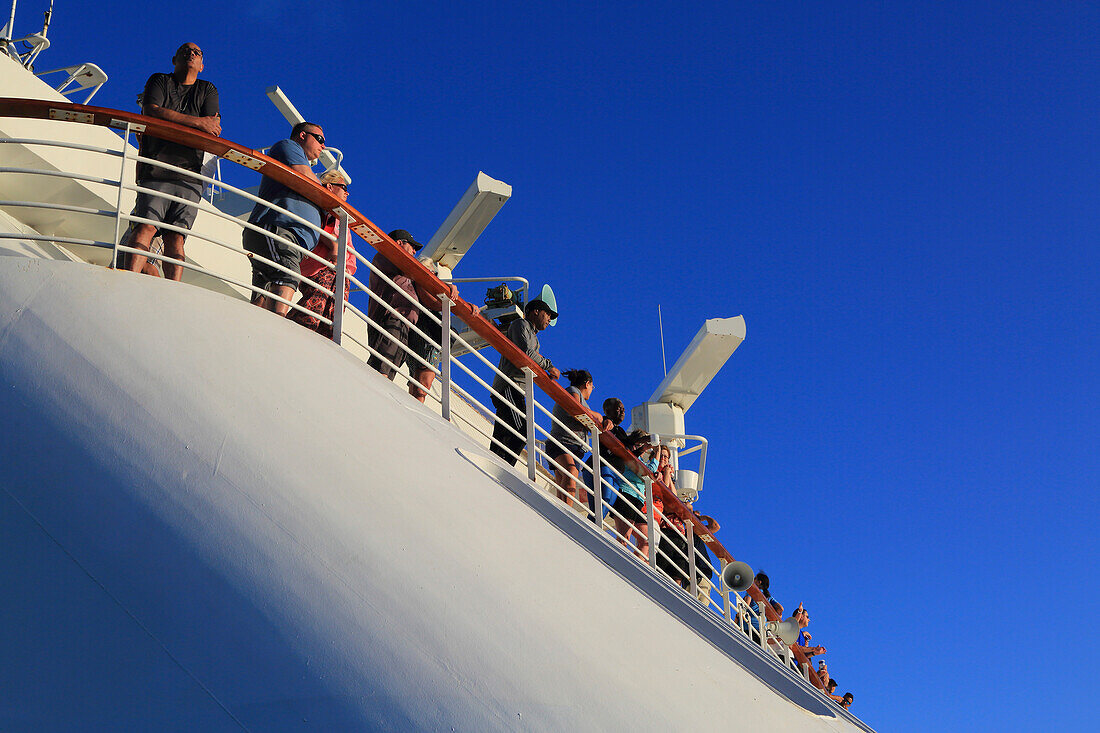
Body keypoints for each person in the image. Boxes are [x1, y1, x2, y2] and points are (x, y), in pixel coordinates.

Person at [125, 42, 220, 281]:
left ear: (202, 65)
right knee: (146, 226)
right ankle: (128, 279)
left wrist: (173, 121)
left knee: (176, 238)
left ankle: (173, 291)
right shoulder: (160, 81)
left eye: (197, 52)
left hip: (190, 175)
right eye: (184, 51)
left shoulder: (207, 89)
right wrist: (197, 122)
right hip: (157, 169)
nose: (190, 54)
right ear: (174, 59)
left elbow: (213, 127)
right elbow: (151, 111)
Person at [243, 121, 327, 315]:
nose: (323, 146)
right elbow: (303, 174)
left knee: (262, 296)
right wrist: (324, 190)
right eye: (320, 139)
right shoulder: (288, 146)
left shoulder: (300, 156)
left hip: (289, 239)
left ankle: (253, 332)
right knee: (287, 276)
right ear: (302, 135)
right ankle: (276, 332)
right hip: (277, 229)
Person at [489, 299, 561, 466]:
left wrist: (543, 368)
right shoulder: (519, 324)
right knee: (522, 429)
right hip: (510, 385)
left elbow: (531, 355)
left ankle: (497, 464)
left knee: (505, 430)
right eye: (548, 314)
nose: (549, 319)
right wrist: (548, 366)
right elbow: (526, 352)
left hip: (517, 388)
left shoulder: (533, 337)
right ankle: (505, 466)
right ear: (535, 311)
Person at [287, 172, 356, 338]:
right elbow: (314, 226)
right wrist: (333, 246)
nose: (347, 193)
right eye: (344, 188)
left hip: (340, 271)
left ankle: (315, 344)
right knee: (314, 307)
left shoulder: (341, 217)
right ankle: (289, 331)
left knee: (332, 316)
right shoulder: (320, 207)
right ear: (330, 186)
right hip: (321, 266)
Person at [366, 229, 432, 380]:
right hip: (390, 318)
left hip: (402, 323)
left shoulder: (405, 269)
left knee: (389, 371)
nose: (415, 251)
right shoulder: (387, 255)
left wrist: (449, 289)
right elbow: (415, 270)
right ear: (399, 243)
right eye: (412, 246)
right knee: (381, 368)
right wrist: (428, 274)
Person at [548, 369, 598, 509]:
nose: (591, 390)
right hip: (562, 443)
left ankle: (560, 511)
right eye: (592, 387)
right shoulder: (572, 391)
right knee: (571, 473)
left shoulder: (581, 399)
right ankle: (565, 512)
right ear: (587, 384)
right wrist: (597, 416)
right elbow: (576, 407)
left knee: (563, 481)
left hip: (573, 448)